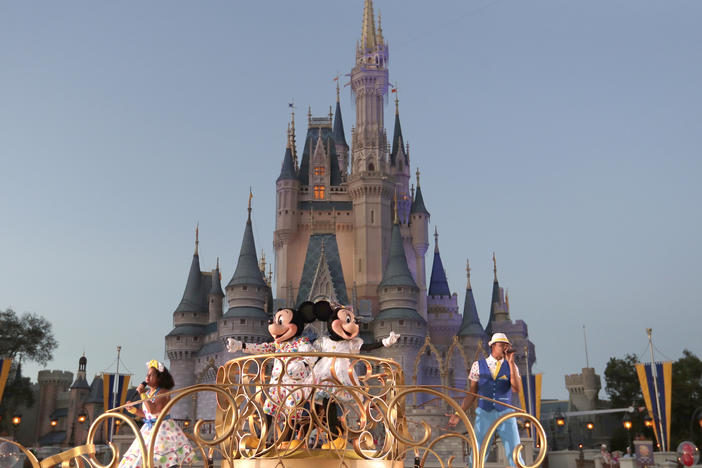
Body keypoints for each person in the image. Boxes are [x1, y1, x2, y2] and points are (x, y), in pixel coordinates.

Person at [447, 333, 522, 467]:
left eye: (507, 346)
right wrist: (458, 414)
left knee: (515, 451)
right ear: (493, 346)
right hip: (485, 413)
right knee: (478, 451)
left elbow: (516, 389)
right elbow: (472, 393)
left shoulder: (512, 366)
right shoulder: (477, 365)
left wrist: (510, 363)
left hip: (506, 413)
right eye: (502, 345)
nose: (505, 349)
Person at [119, 360, 198, 468]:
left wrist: (142, 395)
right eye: (147, 375)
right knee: (142, 457)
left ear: (159, 378)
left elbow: (154, 410)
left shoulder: (163, 392)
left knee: (159, 458)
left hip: (162, 430)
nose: (147, 378)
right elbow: (147, 414)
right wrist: (133, 410)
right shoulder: (147, 393)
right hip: (149, 429)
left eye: (151, 375)